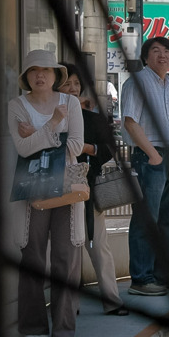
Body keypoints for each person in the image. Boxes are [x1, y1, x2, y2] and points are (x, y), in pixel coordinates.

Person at [9, 50, 86, 337]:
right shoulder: (16, 106)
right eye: (33, 70)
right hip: (30, 188)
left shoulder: (71, 102)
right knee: (33, 255)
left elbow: (77, 145)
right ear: (26, 77)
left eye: (46, 70)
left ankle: (64, 327)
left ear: (57, 76)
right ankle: (30, 325)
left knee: (65, 257)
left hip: (66, 187)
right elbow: (22, 148)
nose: (40, 75)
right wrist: (54, 125)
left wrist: (39, 135)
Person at [60, 63, 128, 315]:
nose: (73, 88)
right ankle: (70, 304)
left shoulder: (93, 119)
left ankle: (112, 300)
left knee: (98, 245)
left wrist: (85, 148)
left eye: (76, 84)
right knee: (65, 248)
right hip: (56, 192)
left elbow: (107, 149)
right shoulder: (51, 119)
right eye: (67, 84)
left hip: (88, 190)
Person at [121, 36, 169, 297]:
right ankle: (141, 278)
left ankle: (161, 275)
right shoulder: (138, 81)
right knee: (147, 219)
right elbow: (130, 122)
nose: (163, 55)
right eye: (156, 51)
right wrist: (153, 155)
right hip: (150, 156)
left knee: (167, 220)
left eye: (167, 51)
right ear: (146, 57)